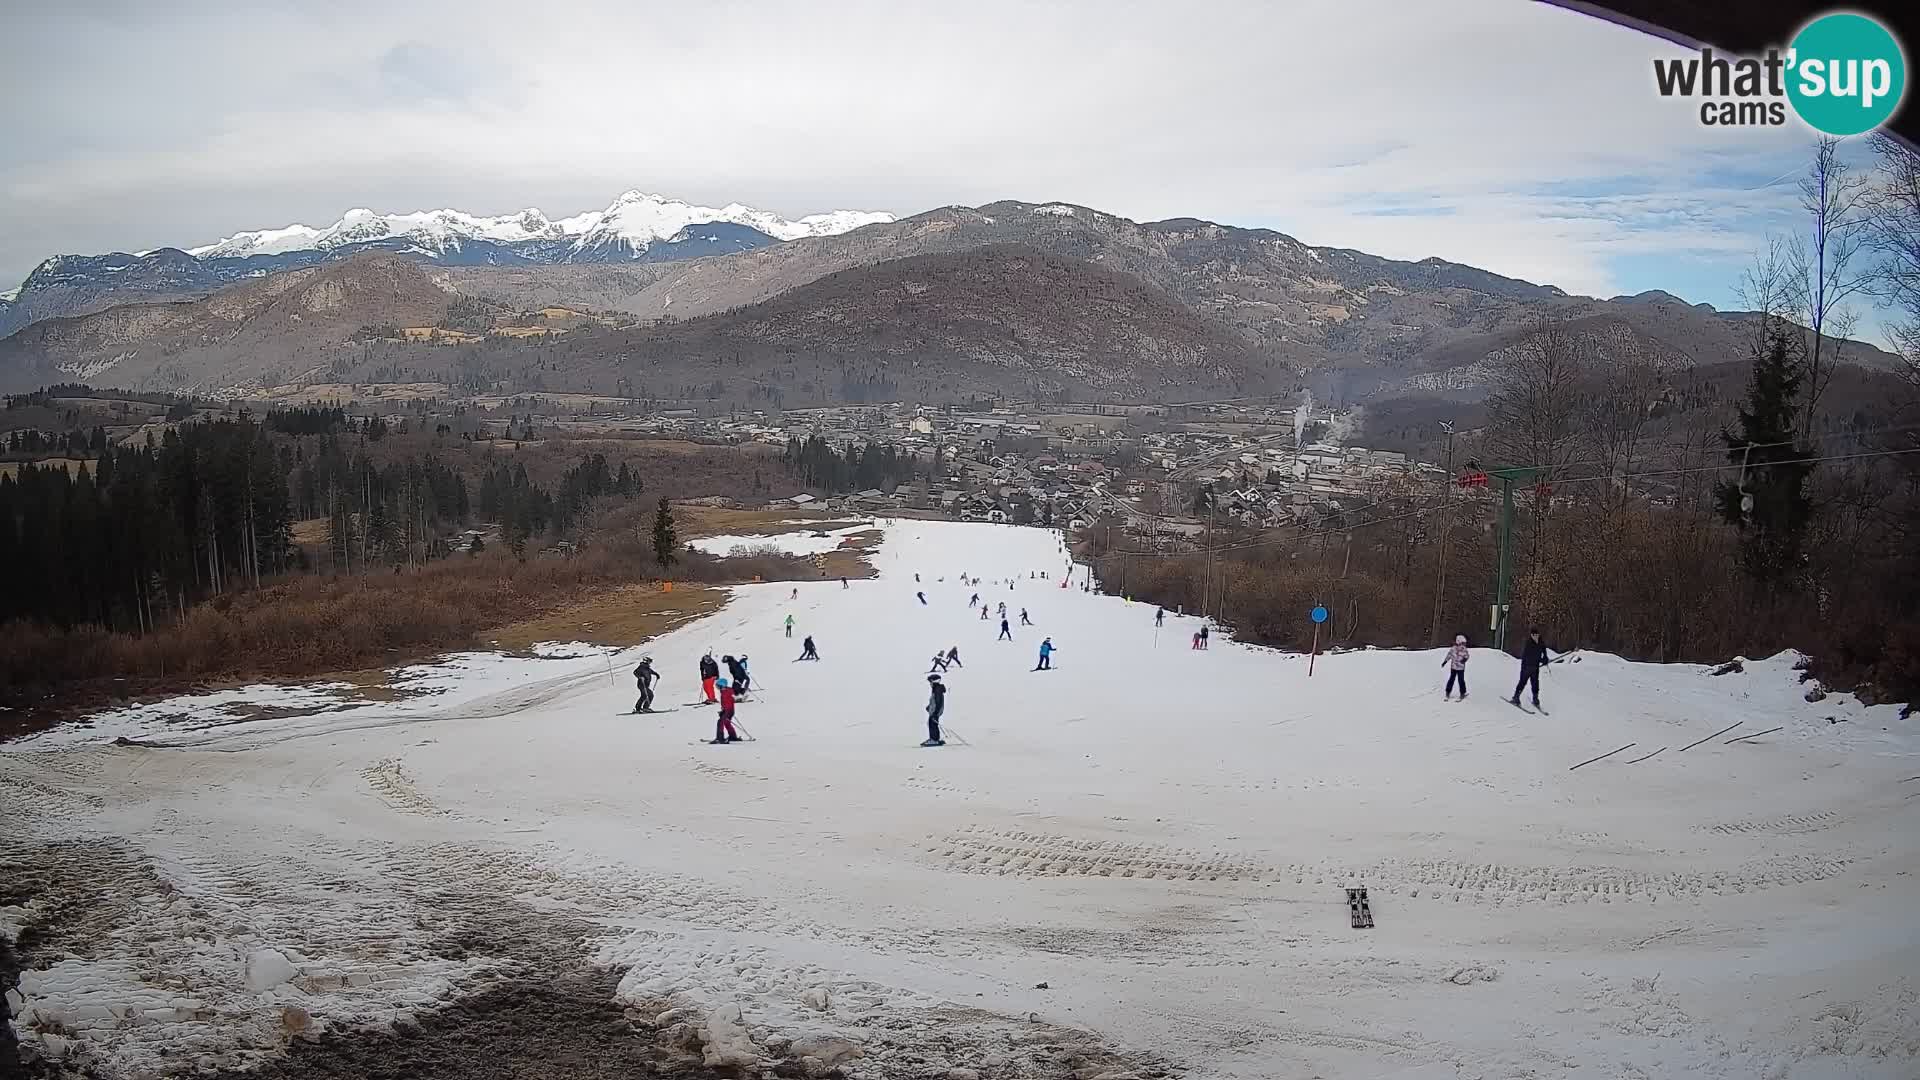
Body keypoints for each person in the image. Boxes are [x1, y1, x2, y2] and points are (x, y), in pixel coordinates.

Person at [1510, 628, 1555, 709]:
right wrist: (1541, 660)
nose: (1536, 636)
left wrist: (1545, 657)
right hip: (1526, 666)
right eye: (1534, 635)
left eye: (1537, 635)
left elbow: (1543, 649)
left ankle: (1535, 699)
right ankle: (1516, 697)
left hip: (1535, 667)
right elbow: (1530, 656)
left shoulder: (1540, 642)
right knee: (1523, 682)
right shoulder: (1529, 644)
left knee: (1535, 683)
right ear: (1531, 635)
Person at [711, 677, 740, 744]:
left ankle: (720, 738)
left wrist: (724, 711)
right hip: (730, 711)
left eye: (718, 686)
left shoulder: (726, 692)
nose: (717, 687)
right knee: (726, 723)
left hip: (728, 711)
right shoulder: (726, 691)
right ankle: (733, 736)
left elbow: (728, 703)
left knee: (720, 722)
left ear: (722, 685)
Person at [1443, 635, 1470, 700]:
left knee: (1461, 680)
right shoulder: (1453, 649)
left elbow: (1467, 656)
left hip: (1461, 668)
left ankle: (1463, 693)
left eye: (1463, 643)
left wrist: (1464, 660)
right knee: (1451, 679)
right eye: (1462, 642)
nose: (1463, 644)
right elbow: (1449, 655)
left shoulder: (1464, 649)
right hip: (1454, 667)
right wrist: (1445, 661)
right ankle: (1448, 692)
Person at [923, 673, 947, 747]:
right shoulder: (936, 689)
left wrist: (935, 712)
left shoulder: (937, 689)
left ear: (934, 681)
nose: (930, 683)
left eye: (930, 681)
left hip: (935, 711)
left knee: (932, 723)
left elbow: (938, 702)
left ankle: (934, 739)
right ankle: (935, 739)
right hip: (934, 710)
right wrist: (929, 707)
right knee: (933, 724)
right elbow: (933, 701)